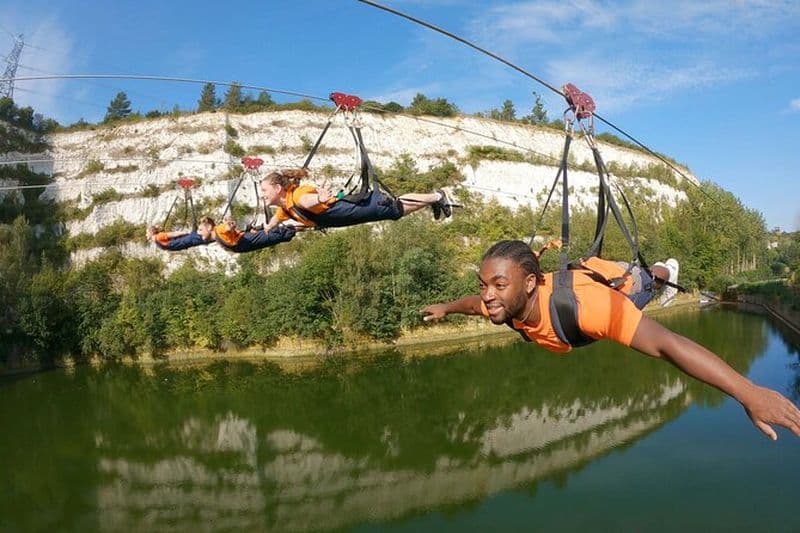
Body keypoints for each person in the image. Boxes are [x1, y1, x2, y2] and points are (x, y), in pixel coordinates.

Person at [421, 239, 800, 440]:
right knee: (620, 274)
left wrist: (748, 392)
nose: (488, 294)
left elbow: (669, 345)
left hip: (611, 288)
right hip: (588, 275)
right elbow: (474, 305)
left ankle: (666, 269)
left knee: (646, 280)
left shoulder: (591, 310)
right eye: (485, 285)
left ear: (531, 283)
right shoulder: (501, 303)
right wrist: (446, 307)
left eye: (498, 285)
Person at [259, 168, 453, 231]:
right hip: (355, 215)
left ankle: (438, 196)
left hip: (362, 208)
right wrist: (267, 228)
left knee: (396, 208)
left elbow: (307, 201)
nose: (263, 194)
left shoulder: (298, 196)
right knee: (396, 210)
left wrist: (319, 198)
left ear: (278, 188)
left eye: (264, 190)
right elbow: (275, 220)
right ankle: (434, 199)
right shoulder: (285, 208)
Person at [213, 214, 297, 253]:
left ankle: (292, 230)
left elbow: (231, 232)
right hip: (241, 242)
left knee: (268, 238)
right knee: (269, 235)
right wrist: (230, 222)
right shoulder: (218, 229)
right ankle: (292, 229)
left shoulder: (218, 232)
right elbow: (229, 227)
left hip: (241, 242)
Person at [147, 216, 216, 251]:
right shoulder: (157, 238)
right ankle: (215, 236)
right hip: (182, 243)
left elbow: (174, 234)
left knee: (198, 237)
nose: (146, 235)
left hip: (183, 243)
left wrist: (185, 232)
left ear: (151, 233)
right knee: (198, 238)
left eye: (147, 233)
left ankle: (215, 235)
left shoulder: (159, 237)